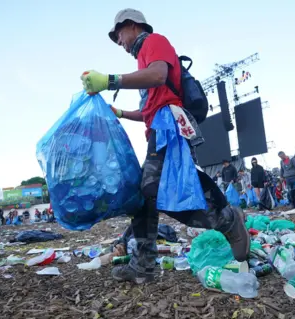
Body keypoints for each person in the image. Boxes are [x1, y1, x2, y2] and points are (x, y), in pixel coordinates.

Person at [80, 8, 249, 283]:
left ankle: (227, 220)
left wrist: (110, 80)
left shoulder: (154, 41)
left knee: (158, 187)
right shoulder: (142, 63)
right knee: (143, 196)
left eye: (118, 35)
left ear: (132, 25)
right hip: (158, 127)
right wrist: (120, 113)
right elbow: (149, 109)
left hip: (170, 125)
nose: (119, 42)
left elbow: (159, 76)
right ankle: (143, 266)